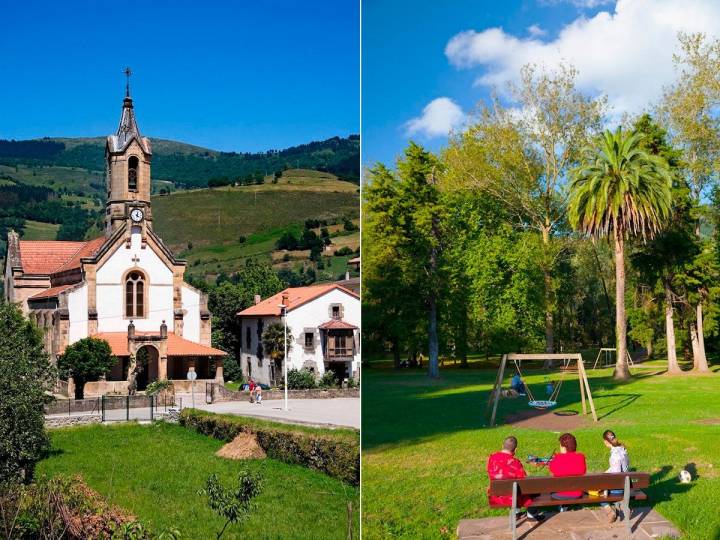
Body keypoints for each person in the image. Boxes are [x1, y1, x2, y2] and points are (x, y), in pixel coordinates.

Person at [487, 436, 544, 521]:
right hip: (512, 496)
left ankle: (516, 512)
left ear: (502, 446)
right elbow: (523, 481)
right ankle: (532, 514)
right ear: (516, 449)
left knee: (514, 487)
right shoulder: (515, 462)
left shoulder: (492, 458)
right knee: (528, 487)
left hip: (497, 495)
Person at [548, 433, 587, 511]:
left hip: (559, 494)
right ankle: (565, 507)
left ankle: (563, 507)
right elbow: (583, 471)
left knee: (556, 489)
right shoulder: (580, 457)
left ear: (563, 447)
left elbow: (552, 470)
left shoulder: (558, 458)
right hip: (577, 493)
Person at [600, 429, 629, 523]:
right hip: (626, 486)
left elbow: (616, 476)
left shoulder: (615, 455)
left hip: (618, 488)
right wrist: (606, 472)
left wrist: (604, 477)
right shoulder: (623, 450)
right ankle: (622, 506)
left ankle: (610, 511)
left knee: (599, 494)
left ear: (605, 441)